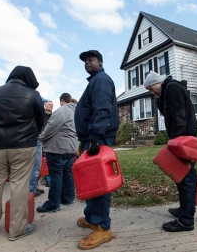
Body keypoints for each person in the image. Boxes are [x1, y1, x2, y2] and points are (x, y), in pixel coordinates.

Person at [0, 66, 45, 241]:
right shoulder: (32, 94)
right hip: (23, 146)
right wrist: (32, 135)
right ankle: (17, 228)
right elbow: (41, 120)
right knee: (19, 185)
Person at [74, 50, 119, 250]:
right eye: (85, 61)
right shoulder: (94, 81)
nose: (87, 63)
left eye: (91, 60)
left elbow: (103, 109)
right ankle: (92, 217)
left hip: (98, 138)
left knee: (99, 182)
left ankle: (102, 227)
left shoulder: (101, 80)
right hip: (91, 137)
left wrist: (94, 137)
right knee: (91, 181)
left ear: (100, 63)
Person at [144, 71, 197, 232]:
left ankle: (186, 221)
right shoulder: (167, 91)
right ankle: (185, 211)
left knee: (186, 178)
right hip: (182, 138)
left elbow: (178, 115)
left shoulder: (173, 88)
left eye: (151, 88)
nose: (151, 92)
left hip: (183, 139)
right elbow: (167, 113)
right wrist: (159, 99)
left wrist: (177, 141)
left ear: (158, 82)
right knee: (183, 177)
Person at [37, 93, 77, 213]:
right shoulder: (77, 112)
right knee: (68, 173)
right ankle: (68, 198)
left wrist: (41, 137)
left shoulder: (62, 111)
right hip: (71, 147)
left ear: (61, 101)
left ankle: (53, 204)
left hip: (58, 148)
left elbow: (50, 127)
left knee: (56, 175)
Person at [29, 99, 53, 197]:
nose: (51, 106)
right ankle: (32, 188)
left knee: (47, 162)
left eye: (52, 104)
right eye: (49, 104)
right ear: (44, 105)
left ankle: (45, 181)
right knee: (37, 164)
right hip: (39, 140)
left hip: (49, 141)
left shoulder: (54, 115)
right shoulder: (40, 114)